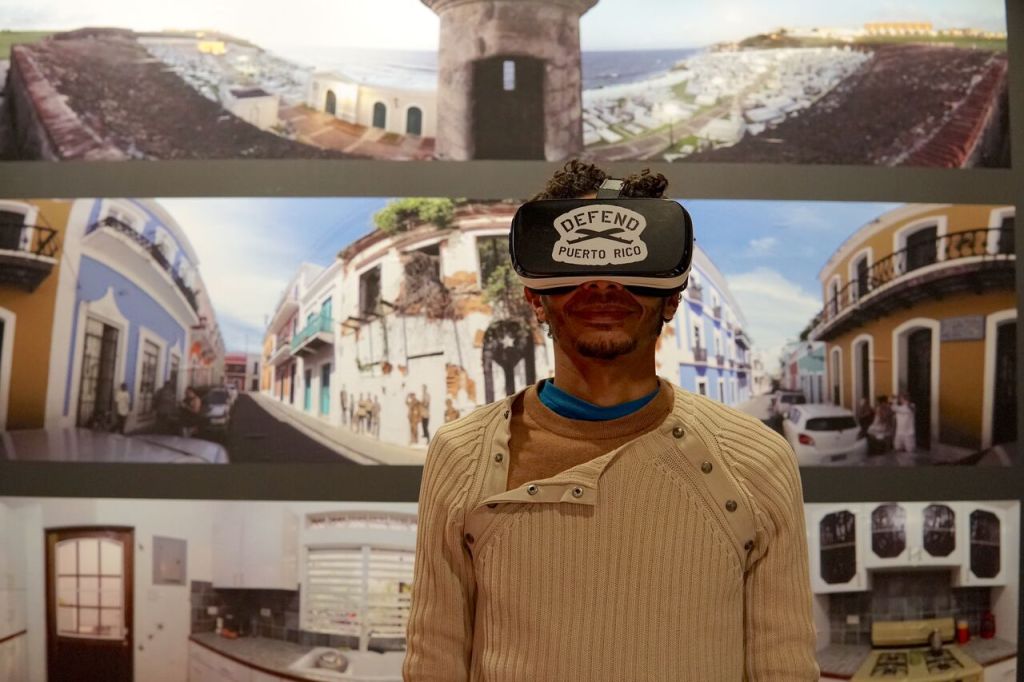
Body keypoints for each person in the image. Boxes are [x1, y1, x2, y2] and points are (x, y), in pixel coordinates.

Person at [404, 160, 818, 681]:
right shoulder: (462, 453)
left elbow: (783, 665)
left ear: (671, 298)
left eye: (631, 265)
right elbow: (433, 659)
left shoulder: (756, 459)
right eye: (576, 266)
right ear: (535, 295)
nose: (602, 285)